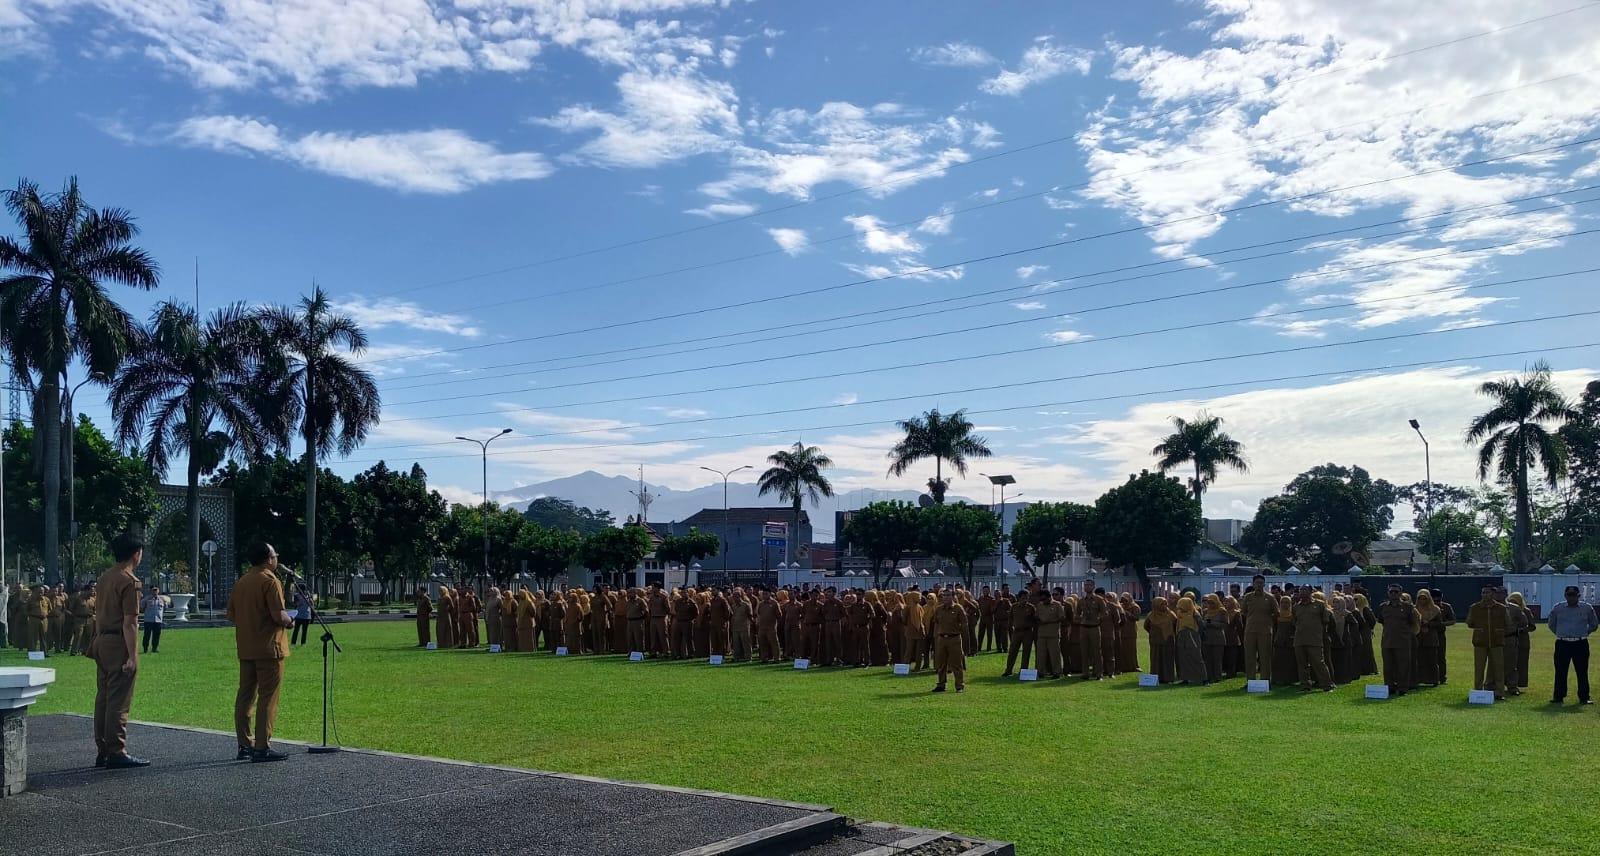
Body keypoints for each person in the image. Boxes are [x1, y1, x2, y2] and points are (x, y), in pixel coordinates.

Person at [226, 542, 295, 763]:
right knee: (268, 697)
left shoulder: (242, 581)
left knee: (245, 696)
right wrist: (291, 620)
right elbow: (279, 616)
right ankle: (262, 746)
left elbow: (232, 615)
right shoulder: (270, 581)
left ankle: (244, 744)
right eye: (275, 555)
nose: (277, 559)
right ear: (268, 559)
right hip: (269, 648)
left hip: (247, 648)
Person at [91, 532, 150, 768]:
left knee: (103, 697)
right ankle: (116, 750)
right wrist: (133, 656)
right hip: (118, 642)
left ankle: (104, 749)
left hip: (101, 640)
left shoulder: (105, 577)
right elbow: (130, 622)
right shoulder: (129, 581)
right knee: (118, 698)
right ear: (137, 554)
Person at [1546, 585, 1599, 705]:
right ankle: (1558, 697)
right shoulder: (1558, 608)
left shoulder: (1587, 608)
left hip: (1580, 643)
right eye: (1569, 595)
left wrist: (1585, 632)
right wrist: (1561, 634)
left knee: (1582, 671)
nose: (1571, 598)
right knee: (1560, 671)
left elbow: (1594, 624)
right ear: (1565, 595)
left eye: (1573, 595)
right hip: (1562, 643)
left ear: (1578, 596)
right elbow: (1551, 624)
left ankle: (1584, 697)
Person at [1467, 585, 1509, 700]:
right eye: (1483, 592)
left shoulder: (1501, 608)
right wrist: (1480, 629)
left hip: (1497, 641)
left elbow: (1508, 622)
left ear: (1493, 594)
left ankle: (1500, 692)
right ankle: (1478, 691)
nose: (1485, 595)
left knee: (1499, 668)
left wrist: (1499, 630)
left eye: (1488, 593)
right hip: (1480, 642)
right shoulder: (1475, 608)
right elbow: (1469, 622)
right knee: (1479, 668)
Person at [1377, 584, 1419, 696]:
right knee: (1388, 666)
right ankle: (1389, 686)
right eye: (1391, 592)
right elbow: (1381, 620)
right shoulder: (1383, 607)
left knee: (1403, 665)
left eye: (1396, 592)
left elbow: (1413, 622)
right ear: (1388, 593)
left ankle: (1403, 687)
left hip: (1403, 641)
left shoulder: (1407, 607)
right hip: (1387, 641)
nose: (1394, 594)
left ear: (1401, 593)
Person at [1291, 589, 1334, 692]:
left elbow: (1325, 620)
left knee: (1319, 663)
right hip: (1300, 640)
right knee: (1302, 664)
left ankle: (1327, 685)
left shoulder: (1319, 604)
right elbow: (1294, 621)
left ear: (1310, 592)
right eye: (1301, 591)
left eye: (1305, 591)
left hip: (1315, 639)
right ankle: (1305, 685)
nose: (1302, 593)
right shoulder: (1296, 607)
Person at [930, 589, 968, 692]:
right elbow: (936, 623)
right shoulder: (938, 609)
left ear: (953, 596)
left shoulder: (958, 608)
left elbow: (964, 624)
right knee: (941, 664)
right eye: (944, 595)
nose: (945, 597)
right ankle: (941, 684)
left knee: (956, 664)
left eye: (948, 595)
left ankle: (959, 686)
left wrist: (959, 632)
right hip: (941, 638)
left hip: (954, 638)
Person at [1240, 575, 1276, 684]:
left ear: (1264, 584)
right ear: (1253, 584)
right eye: (1257, 583)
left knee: (1265, 657)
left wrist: (1267, 622)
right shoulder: (1248, 597)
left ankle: (1265, 681)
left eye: (1261, 582)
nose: (1259, 585)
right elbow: (1243, 612)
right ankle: (1251, 681)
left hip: (1265, 631)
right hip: (1250, 630)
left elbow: (1276, 613)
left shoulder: (1270, 598)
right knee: (1250, 657)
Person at [1174, 596, 1207, 685]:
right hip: (1181, 636)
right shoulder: (1179, 613)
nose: (1179, 607)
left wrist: (1196, 636)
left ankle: (1204, 679)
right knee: (1183, 658)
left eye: (1181, 605)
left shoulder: (1194, 613)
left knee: (1196, 657)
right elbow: (1177, 625)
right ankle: (1185, 678)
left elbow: (1201, 625)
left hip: (1192, 636)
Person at [1506, 591, 1534, 695]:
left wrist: (1521, 629)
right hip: (1510, 639)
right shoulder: (1507, 609)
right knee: (1509, 663)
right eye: (1511, 600)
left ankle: (1518, 684)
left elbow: (1532, 626)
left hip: (1522, 641)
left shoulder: (1526, 611)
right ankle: (1508, 683)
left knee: (1521, 663)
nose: (1514, 603)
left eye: (1515, 601)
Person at [1144, 596, 1177, 683]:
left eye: (1166, 604)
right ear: (1156, 605)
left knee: (1167, 659)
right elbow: (1146, 626)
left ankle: (1168, 678)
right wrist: (1154, 633)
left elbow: (1176, 625)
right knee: (1156, 660)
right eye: (1162, 604)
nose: (1165, 606)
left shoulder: (1171, 614)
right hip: (1155, 642)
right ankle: (1156, 678)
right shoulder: (1151, 615)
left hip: (1168, 641)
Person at [1075, 580, 1104, 680]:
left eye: (1089, 585)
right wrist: (1080, 618)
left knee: (1096, 651)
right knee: (1084, 651)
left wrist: (1098, 619)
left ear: (1093, 587)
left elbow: (1105, 613)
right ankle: (1085, 673)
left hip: (1094, 627)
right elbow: (1077, 613)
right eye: (1085, 585)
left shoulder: (1099, 599)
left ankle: (1098, 673)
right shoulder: (1081, 600)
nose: (1087, 587)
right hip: (1084, 627)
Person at [1033, 590, 1065, 679]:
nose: (1043, 601)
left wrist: (1049, 621)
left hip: (1053, 634)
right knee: (1040, 655)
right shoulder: (1040, 605)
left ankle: (1057, 672)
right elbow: (1036, 617)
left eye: (1044, 599)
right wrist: (1039, 621)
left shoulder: (1057, 605)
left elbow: (1062, 617)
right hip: (1041, 634)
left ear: (1049, 597)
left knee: (1055, 655)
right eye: (1042, 599)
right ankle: (1040, 672)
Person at [1414, 590, 1444, 687]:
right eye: (1420, 598)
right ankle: (1419, 679)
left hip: (1431, 637)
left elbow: (1440, 623)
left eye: (1424, 598)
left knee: (1432, 659)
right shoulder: (1414, 609)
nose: (1422, 600)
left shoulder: (1435, 609)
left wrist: (1429, 624)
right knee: (1419, 659)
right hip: (1418, 637)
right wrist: (1420, 624)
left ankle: (1434, 680)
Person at [1199, 594, 1228, 685]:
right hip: (1207, 637)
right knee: (1207, 658)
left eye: (1212, 602)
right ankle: (1208, 676)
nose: (1210, 604)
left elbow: (1225, 624)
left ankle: (1217, 677)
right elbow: (1202, 623)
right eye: (1208, 602)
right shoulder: (1205, 611)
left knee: (1217, 659)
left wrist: (1213, 623)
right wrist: (1204, 624)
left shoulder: (1222, 611)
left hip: (1218, 637)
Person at [1272, 595, 1299, 687]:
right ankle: (1277, 678)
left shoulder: (1293, 615)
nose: (1284, 604)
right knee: (1278, 660)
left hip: (1290, 641)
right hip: (1279, 640)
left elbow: (1296, 627)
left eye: (1287, 602)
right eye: (1282, 602)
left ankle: (1289, 679)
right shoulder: (1277, 615)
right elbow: (1274, 627)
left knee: (1289, 661)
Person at [1432, 588, 1456, 684]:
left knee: (1441, 656)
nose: (1437, 602)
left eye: (1438, 600)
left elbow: (1453, 620)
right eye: (1434, 600)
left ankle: (1442, 677)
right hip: (1426, 634)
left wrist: (1441, 624)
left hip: (1440, 634)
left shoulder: (1446, 607)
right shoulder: (1424, 606)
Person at [137, 585, 166, 654]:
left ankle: (154, 648)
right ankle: (145, 648)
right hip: (148, 620)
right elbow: (141, 608)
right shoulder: (146, 599)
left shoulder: (162, 599)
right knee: (147, 635)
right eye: (154, 590)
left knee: (156, 635)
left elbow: (164, 608)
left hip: (158, 620)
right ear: (150, 591)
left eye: (156, 590)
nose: (155, 591)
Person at [71, 583, 96, 655]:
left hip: (89, 619)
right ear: (85, 591)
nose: (92, 592)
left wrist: (94, 615)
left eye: (93, 591)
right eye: (90, 591)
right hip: (79, 619)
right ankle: (74, 651)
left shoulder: (92, 599)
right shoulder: (78, 599)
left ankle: (86, 651)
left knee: (88, 636)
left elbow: (95, 609)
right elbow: (72, 608)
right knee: (78, 635)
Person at [436, 585, 456, 649]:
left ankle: (448, 643)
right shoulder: (439, 598)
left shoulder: (447, 597)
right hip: (440, 616)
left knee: (446, 629)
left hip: (446, 615)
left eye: (441, 591)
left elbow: (452, 606)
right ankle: (440, 643)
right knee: (439, 630)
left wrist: (447, 609)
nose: (440, 592)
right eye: (439, 591)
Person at [977, 586, 996, 652]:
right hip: (982, 617)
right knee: (980, 634)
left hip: (989, 618)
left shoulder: (992, 599)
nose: (985, 592)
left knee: (989, 634)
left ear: (989, 591)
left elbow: (993, 609)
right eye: (984, 590)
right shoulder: (980, 598)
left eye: (987, 590)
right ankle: (978, 648)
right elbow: (978, 607)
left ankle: (988, 648)